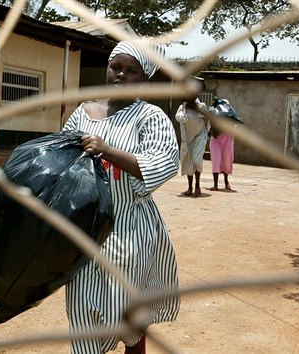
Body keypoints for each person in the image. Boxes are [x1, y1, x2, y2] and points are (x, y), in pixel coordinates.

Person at [61, 41, 180, 354]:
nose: (120, 75)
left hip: (129, 229)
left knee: (127, 314)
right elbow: (61, 159)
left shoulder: (150, 118)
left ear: (143, 78)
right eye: (116, 67)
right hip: (86, 227)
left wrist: (106, 150)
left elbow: (163, 163)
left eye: (131, 71)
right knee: (83, 308)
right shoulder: (83, 113)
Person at [175, 92, 209, 197]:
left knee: (197, 160)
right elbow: (182, 119)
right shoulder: (181, 108)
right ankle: (190, 188)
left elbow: (208, 120)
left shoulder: (201, 106)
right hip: (187, 139)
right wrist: (184, 108)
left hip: (199, 137)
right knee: (188, 162)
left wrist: (206, 133)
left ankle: (197, 185)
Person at [207, 98, 237, 191]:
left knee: (226, 159)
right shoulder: (212, 112)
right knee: (216, 160)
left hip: (227, 138)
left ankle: (226, 181)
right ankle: (215, 185)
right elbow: (209, 125)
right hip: (215, 139)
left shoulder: (230, 115)